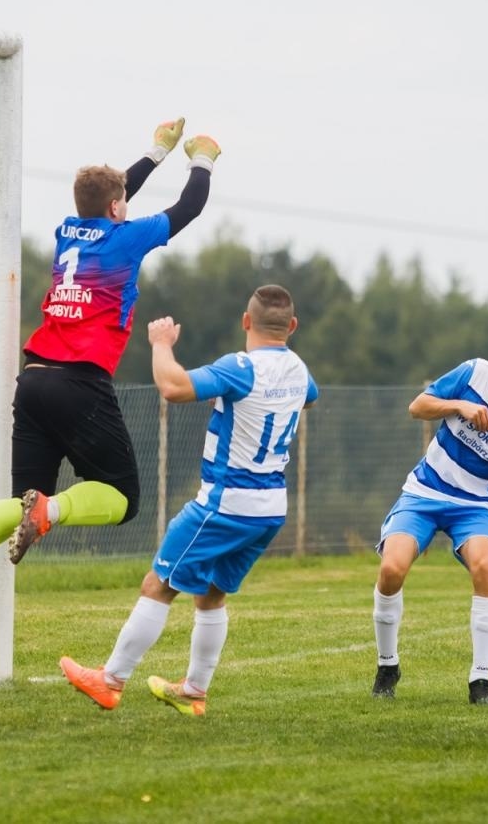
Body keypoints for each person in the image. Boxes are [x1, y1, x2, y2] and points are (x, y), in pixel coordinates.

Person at [0, 119, 221, 601]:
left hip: (32, 381)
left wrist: (157, 150)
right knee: (122, 498)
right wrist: (203, 158)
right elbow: (189, 207)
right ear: (116, 208)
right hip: (79, 384)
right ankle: (48, 513)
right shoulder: (126, 238)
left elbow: (111, 193)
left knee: (20, 501)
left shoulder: (68, 231)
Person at [59, 286, 317, 716]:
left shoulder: (240, 367)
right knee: (212, 594)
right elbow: (308, 397)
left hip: (225, 503)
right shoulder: (299, 369)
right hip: (270, 507)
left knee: (158, 584)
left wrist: (161, 344)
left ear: (245, 322)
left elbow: (173, 387)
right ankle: (195, 691)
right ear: (292, 327)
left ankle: (110, 681)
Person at [370, 324, 488, 707]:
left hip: (474, 507)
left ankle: (480, 682)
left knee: (485, 567)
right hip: (423, 493)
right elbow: (416, 407)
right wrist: (459, 406)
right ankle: (388, 665)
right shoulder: (473, 373)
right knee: (391, 570)